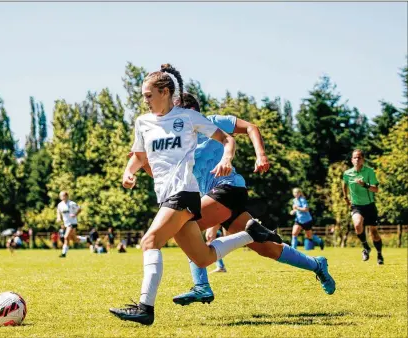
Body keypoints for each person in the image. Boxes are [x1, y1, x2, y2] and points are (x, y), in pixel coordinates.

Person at [109, 64, 281, 326]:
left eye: (148, 95)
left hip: (184, 193)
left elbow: (227, 139)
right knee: (202, 257)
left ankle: (145, 307)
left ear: (165, 92)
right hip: (165, 195)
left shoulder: (187, 117)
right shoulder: (142, 123)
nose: (144, 100)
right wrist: (128, 172)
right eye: (143, 95)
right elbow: (139, 157)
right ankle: (251, 233)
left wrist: (227, 158)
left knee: (149, 241)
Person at [135, 92, 335, 306]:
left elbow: (251, 127)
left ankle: (202, 286)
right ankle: (316, 264)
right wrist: (143, 164)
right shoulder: (179, 140)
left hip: (229, 188)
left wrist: (261, 155)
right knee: (268, 249)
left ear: (192, 111)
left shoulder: (212, 122)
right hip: (212, 198)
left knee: (184, 224)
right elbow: (164, 174)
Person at [342, 149, 383, 264]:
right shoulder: (347, 173)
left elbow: (376, 189)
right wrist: (346, 198)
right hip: (356, 206)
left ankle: (379, 254)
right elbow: (344, 184)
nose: (357, 159)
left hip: (369, 205)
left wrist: (364, 184)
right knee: (357, 225)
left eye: (359, 157)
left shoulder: (369, 172)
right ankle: (366, 247)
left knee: (374, 233)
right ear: (351, 160)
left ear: (363, 160)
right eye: (355, 157)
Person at [56, 191, 82, 258]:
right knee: (74, 239)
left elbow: (79, 209)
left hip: (72, 223)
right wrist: (58, 217)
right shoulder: (60, 205)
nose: (61, 197)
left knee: (66, 237)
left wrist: (75, 214)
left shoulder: (71, 203)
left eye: (63, 196)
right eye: (60, 196)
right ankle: (87, 239)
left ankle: (63, 253)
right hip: (66, 223)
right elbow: (58, 211)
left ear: (67, 196)